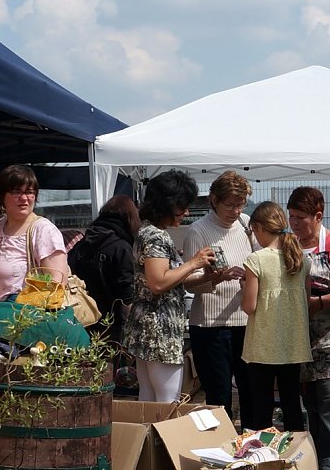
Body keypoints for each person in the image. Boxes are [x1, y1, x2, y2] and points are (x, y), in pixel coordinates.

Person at [123, 170, 217, 403]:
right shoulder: (156, 236)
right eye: (182, 207)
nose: (186, 213)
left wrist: (205, 275)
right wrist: (193, 262)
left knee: (148, 398)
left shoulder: (147, 230)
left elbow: (167, 280)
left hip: (148, 326)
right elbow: (158, 282)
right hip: (160, 329)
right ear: (166, 204)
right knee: (167, 400)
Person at [287, 186, 330, 470]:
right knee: (310, 403)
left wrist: (320, 302)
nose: (294, 223)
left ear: (318, 216)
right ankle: (313, 460)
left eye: (300, 218)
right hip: (299, 337)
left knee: (329, 401)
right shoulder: (289, 244)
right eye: (291, 217)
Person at [183, 171, 255, 429]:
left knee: (251, 391)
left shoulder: (247, 225)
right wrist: (215, 278)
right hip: (210, 326)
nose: (236, 211)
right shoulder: (198, 231)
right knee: (219, 396)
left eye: (240, 204)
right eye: (230, 205)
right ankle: (222, 444)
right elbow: (188, 282)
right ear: (214, 200)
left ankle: (251, 443)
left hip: (245, 321)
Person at [241, 201, 312, 432]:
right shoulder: (301, 258)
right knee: (292, 403)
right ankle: (297, 450)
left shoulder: (256, 259)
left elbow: (249, 306)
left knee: (262, 406)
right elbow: (306, 300)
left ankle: (262, 451)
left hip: (263, 345)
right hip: (292, 345)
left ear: (260, 227)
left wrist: (244, 287)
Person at [0, 165, 67, 302]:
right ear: (2, 196)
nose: (24, 198)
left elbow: (57, 284)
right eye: (16, 192)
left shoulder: (43, 230)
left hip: (22, 312)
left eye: (30, 192)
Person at [68, 195, 139, 344]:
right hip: (111, 324)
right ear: (130, 219)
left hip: (82, 319)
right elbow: (126, 294)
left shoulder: (81, 245)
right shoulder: (121, 247)